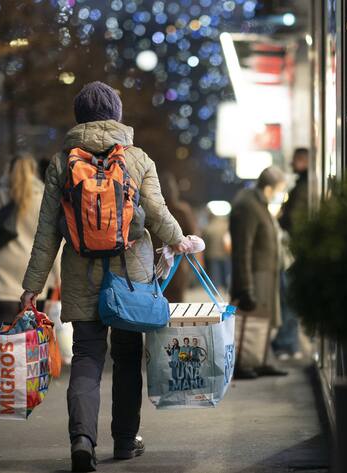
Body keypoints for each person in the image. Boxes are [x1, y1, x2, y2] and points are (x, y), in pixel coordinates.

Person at [18, 81, 192, 472]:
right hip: (131, 276)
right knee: (128, 359)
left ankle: (82, 440)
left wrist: (33, 286)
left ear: (78, 116)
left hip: (81, 275)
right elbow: (158, 210)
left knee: (86, 358)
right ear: (117, 113)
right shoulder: (136, 159)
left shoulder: (62, 162)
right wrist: (180, 240)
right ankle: (126, 441)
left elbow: (47, 231)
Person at [0, 156, 58, 335]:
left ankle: (6, 357)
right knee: (31, 317)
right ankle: (27, 358)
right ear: (33, 171)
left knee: (4, 316)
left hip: (0, 264)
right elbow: (53, 236)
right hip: (32, 265)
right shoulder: (43, 196)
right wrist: (59, 274)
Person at [230, 165, 289, 379]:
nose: (281, 194)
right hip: (256, 274)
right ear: (270, 188)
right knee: (250, 320)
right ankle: (242, 362)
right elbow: (243, 248)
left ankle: (260, 360)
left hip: (264, 272)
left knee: (263, 321)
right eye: (280, 189)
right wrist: (245, 287)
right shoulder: (248, 206)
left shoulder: (257, 203)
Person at [273, 148, 310, 360]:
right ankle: (290, 342)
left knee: (289, 298)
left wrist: (281, 220)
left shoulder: (303, 188)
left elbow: (293, 219)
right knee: (290, 299)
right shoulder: (304, 185)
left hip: (294, 252)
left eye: (296, 159)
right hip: (297, 251)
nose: (292, 162)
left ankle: (287, 343)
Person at [156, 173, 198, 302]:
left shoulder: (152, 212)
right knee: (176, 306)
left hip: (152, 265)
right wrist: (196, 265)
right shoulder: (182, 211)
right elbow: (193, 237)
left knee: (155, 303)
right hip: (176, 267)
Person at [201, 211, 230, 290]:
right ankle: (226, 288)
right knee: (225, 272)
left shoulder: (209, 227)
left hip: (212, 254)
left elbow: (204, 241)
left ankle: (214, 289)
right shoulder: (225, 226)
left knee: (214, 274)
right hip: (224, 253)